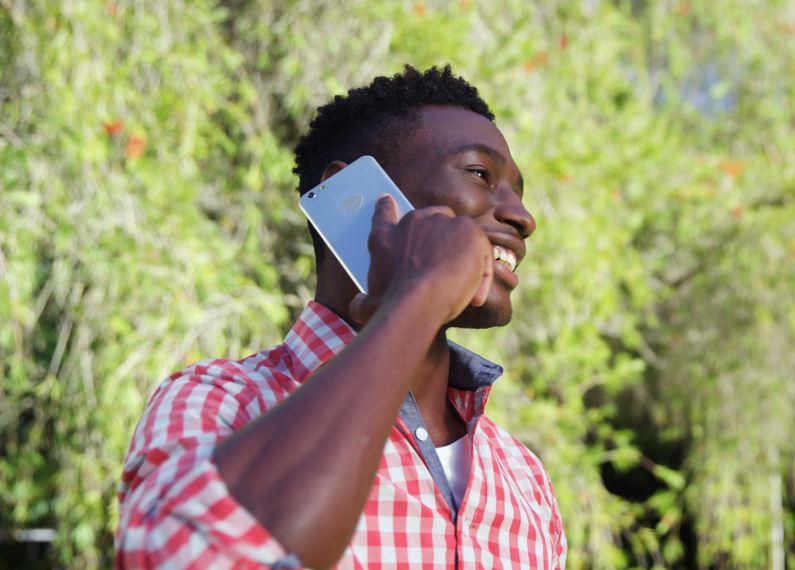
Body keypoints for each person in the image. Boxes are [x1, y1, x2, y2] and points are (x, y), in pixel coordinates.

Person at [116, 65, 566, 569]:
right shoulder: (219, 401)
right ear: (355, 194)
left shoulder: (522, 474)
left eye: (518, 192)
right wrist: (418, 297)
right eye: (480, 174)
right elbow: (184, 557)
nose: (524, 218)